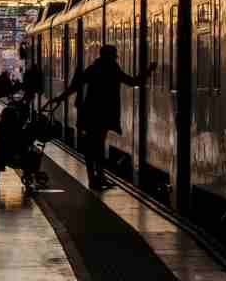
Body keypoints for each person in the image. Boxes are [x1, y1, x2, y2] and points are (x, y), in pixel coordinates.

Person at [47, 45, 155, 190]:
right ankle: (98, 178)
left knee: (92, 147)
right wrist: (149, 71)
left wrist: (60, 98)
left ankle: (95, 178)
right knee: (97, 146)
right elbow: (133, 82)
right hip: (104, 114)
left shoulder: (93, 68)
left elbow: (75, 86)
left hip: (90, 113)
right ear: (111, 56)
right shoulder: (113, 69)